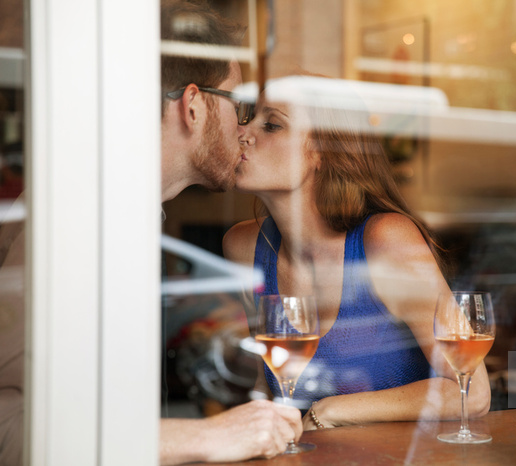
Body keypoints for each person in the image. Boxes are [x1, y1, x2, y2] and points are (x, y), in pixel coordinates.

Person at [222, 75, 491, 430]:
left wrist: (330, 410)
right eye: (247, 117)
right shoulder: (243, 247)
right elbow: (264, 388)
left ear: (321, 152)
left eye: (271, 124)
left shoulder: (386, 240)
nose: (243, 133)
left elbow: (471, 392)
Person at [158, 1, 302, 463]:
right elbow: (21, 421)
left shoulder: (136, 221)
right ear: (194, 107)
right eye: (238, 105)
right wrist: (207, 438)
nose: (242, 129)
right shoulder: (84, 226)